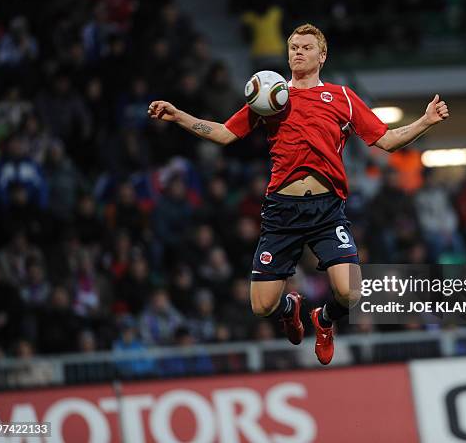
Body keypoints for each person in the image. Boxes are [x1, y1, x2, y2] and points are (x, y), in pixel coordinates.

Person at [148, 23, 449, 365]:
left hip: (327, 209)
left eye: (306, 47)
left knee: (351, 292)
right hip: (282, 210)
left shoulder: (343, 98)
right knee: (262, 307)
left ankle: (324, 319)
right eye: (293, 47)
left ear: (322, 55)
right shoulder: (271, 94)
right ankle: (291, 307)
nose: (298, 52)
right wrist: (178, 116)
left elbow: (388, 141)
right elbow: (224, 134)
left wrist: (425, 121)